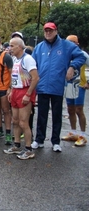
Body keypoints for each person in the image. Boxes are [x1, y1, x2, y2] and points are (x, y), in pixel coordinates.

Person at [32, 22, 86, 152]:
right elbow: (33, 64)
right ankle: (39, 139)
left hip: (57, 86)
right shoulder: (39, 47)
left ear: (56, 31)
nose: (48, 33)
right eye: (46, 31)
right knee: (41, 115)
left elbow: (81, 57)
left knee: (57, 115)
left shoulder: (66, 45)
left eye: (51, 30)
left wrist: (72, 67)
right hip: (43, 85)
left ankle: (55, 141)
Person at [4, 37, 39, 160]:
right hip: (15, 91)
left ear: (19, 47)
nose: (10, 48)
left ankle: (28, 149)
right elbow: (15, 77)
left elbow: (35, 78)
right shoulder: (14, 59)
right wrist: (11, 91)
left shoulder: (28, 59)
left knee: (24, 122)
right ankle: (17, 145)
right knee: (15, 121)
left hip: (25, 91)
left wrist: (28, 94)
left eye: (12, 46)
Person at [61, 35, 89, 147]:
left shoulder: (83, 54)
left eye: (72, 42)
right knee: (70, 109)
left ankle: (83, 136)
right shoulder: (66, 54)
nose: (70, 44)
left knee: (79, 110)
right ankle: (73, 133)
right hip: (69, 86)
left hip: (79, 85)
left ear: (77, 43)